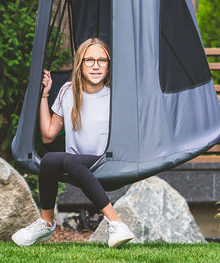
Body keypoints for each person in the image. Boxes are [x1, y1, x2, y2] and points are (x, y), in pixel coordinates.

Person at [11, 38, 134, 247]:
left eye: (102, 61)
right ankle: (46, 223)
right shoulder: (68, 92)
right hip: (75, 163)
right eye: (90, 60)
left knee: (71, 161)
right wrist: (45, 94)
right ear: (80, 64)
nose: (96, 66)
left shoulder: (115, 96)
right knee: (49, 160)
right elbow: (48, 135)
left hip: (106, 161)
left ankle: (116, 223)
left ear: (109, 65)